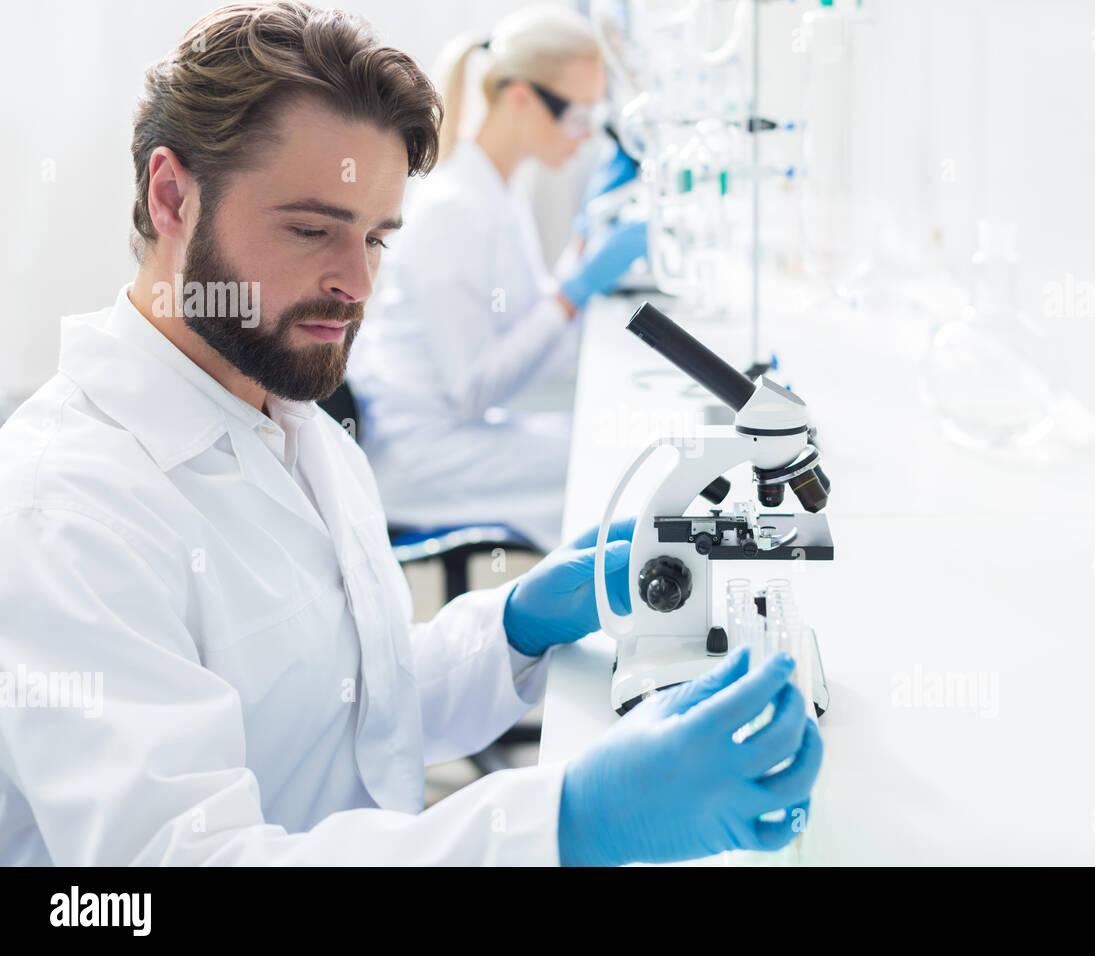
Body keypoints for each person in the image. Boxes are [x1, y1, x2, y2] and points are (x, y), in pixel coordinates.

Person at [0, 1, 821, 866]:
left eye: (378, 238)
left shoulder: (294, 424)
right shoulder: (70, 508)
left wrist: (513, 628)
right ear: (173, 195)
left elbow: (347, 706)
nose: (356, 282)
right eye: (312, 229)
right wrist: (565, 823)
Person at [346, 5, 646, 550]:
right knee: (613, 469)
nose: (583, 137)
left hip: (459, 431)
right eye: (576, 115)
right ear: (520, 96)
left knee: (609, 451)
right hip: (420, 453)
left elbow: (526, 335)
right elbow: (475, 387)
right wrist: (576, 289)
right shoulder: (455, 210)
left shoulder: (501, 190)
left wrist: (582, 247)